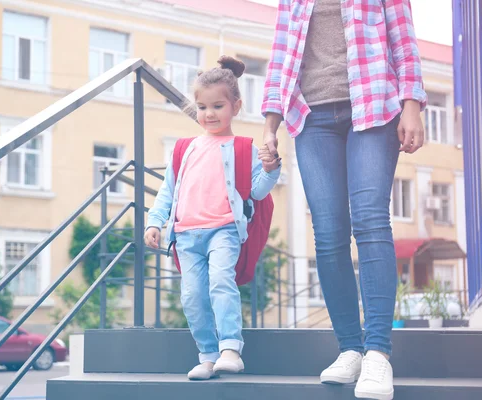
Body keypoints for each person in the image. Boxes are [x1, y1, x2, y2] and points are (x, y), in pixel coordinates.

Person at [260, 1, 426, 399]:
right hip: (311, 117)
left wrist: (412, 107)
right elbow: (282, 54)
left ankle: (378, 354)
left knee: (370, 221)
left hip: (371, 108)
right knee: (329, 234)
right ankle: (350, 347)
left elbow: (403, 44)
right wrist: (270, 125)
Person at [145, 56, 281, 380]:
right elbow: (168, 190)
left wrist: (272, 169)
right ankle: (207, 355)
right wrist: (154, 221)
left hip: (224, 230)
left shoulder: (243, 148)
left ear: (236, 106)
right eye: (202, 107)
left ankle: (231, 348)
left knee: (221, 283)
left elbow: (257, 192)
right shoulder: (184, 148)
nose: (209, 114)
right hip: (186, 236)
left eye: (217, 106)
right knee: (192, 296)